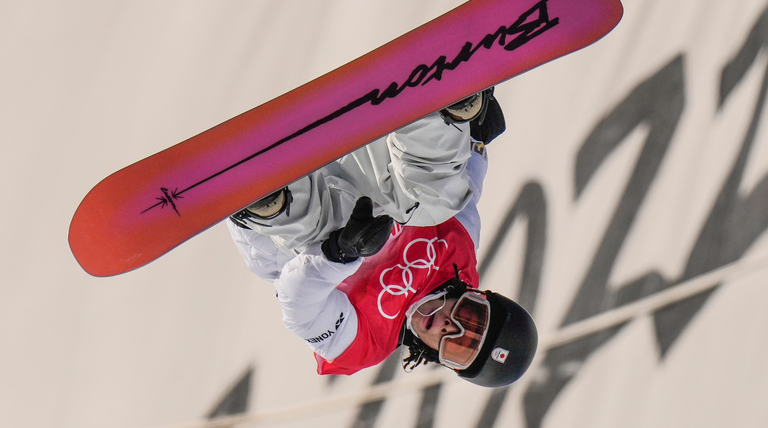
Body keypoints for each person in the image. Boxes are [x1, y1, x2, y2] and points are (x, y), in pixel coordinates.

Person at [228, 89, 538, 388]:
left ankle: (267, 194)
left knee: (324, 233)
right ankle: (434, 100)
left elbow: (299, 306)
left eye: (458, 347)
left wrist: (339, 254)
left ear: (443, 360)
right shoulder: (458, 254)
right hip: (354, 155)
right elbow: (462, 188)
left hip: (284, 218)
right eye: (471, 319)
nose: (449, 327)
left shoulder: (365, 345)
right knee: (439, 205)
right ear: (479, 297)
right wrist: (473, 135)